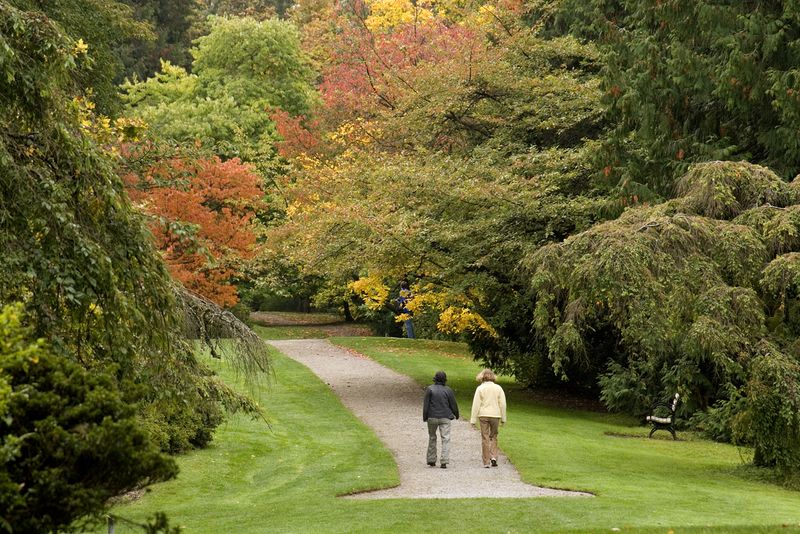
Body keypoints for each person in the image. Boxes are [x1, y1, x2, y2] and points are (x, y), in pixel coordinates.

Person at [470, 368, 506, 468]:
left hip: (483, 415)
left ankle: (486, 462)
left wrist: (473, 419)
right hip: (495, 415)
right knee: (494, 436)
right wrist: (503, 418)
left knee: (485, 438)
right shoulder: (498, 388)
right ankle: (493, 456)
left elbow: (476, 404)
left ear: (482, 377)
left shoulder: (480, 388)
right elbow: (502, 404)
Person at [422, 370, 459, 468]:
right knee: (445, 438)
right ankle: (444, 461)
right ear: (445, 379)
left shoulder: (430, 389)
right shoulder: (448, 390)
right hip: (445, 417)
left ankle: (431, 459)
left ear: (435, 379)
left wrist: (425, 416)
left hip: (432, 417)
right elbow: (453, 404)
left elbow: (426, 405)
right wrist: (456, 414)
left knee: (432, 437)